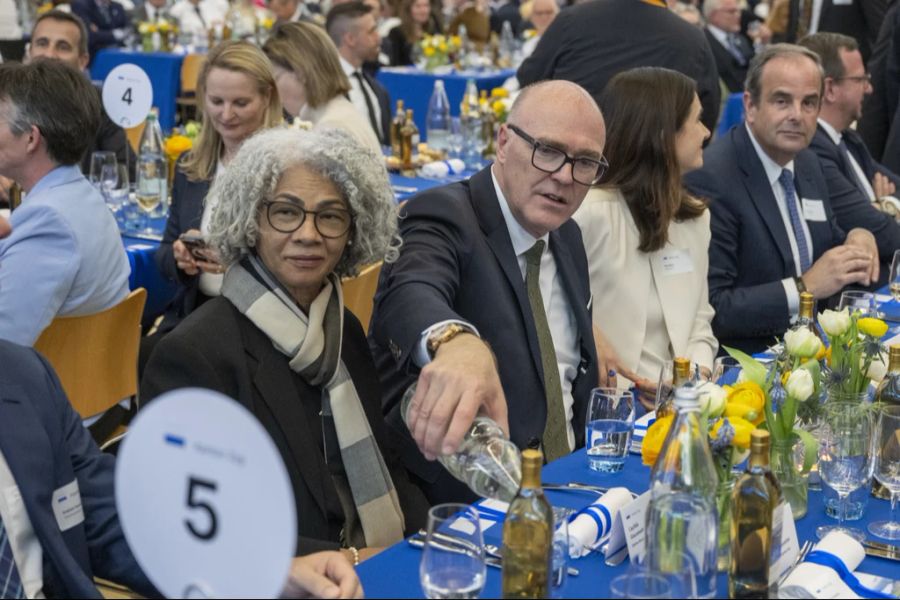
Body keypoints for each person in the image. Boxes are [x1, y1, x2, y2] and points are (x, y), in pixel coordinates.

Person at [141, 127, 429, 559]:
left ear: (353, 229)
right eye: (285, 212)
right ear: (251, 220)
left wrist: (435, 540)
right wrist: (345, 562)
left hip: (376, 561)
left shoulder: (344, 329)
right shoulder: (195, 355)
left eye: (330, 215)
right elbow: (198, 527)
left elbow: (386, 464)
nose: (309, 234)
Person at [368, 81, 604, 504]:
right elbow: (411, 290)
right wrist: (455, 342)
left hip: (571, 485)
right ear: (503, 142)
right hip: (466, 506)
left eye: (584, 162)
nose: (565, 176)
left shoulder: (566, 235)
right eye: (547, 150)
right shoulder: (444, 215)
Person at [684, 44, 879, 355]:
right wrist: (804, 288)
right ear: (750, 105)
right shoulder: (713, 176)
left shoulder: (808, 163)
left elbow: (826, 247)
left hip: (813, 355)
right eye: (782, 101)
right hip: (746, 366)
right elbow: (714, 308)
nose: (796, 116)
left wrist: (858, 236)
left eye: (809, 103)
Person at [572, 67, 717, 406]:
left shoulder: (694, 218)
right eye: (697, 121)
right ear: (663, 133)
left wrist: (696, 379)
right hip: (605, 409)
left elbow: (700, 321)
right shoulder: (587, 216)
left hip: (683, 404)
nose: (707, 132)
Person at [151, 41, 281, 338]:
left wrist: (235, 265)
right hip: (195, 314)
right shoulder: (192, 165)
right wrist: (180, 258)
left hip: (257, 325)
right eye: (216, 101)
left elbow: (295, 268)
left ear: (267, 98)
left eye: (240, 103)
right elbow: (164, 252)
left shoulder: (285, 169)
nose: (226, 114)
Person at [0, 59, 129, 346]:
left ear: (31, 138)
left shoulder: (49, 221)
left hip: (49, 387)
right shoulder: (80, 196)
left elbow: (5, 340)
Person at [516, 0, 721, 133]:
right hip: (654, 175)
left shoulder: (572, 20)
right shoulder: (692, 38)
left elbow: (530, 79)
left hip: (576, 167)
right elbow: (707, 115)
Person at [799, 32, 900, 280]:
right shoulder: (813, 150)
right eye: (861, 79)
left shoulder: (849, 139)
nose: (869, 88)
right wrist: (882, 212)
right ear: (831, 88)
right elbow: (883, 235)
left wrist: (887, 204)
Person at [27, 10, 135, 181]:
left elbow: (126, 171)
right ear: (30, 51)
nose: (50, 54)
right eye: (42, 43)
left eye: (63, 47)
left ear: (83, 61)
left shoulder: (99, 103)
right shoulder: (6, 100)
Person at [263, 21, 383, 155]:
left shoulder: (331, 130)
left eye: (276, 78)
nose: (272, 91)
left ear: (301, 72)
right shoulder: (339, 113)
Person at [326, 1, 392, 144]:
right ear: (350, 39)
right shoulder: (323, 89)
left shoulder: (377, 90)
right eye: (371, 31)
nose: (378, 37)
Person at [704, 0, 755, 93]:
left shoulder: (741, 38)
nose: (738, 15)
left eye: (739, 11)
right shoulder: (703, 42)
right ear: (714, 15)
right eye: (731, 11)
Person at [384, 0, 437, 66]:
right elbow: (394, 64)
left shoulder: (433, 31)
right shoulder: (396, 33)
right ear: (408, 9)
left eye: (426, 5)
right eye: (418, 6)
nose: (423, 10)